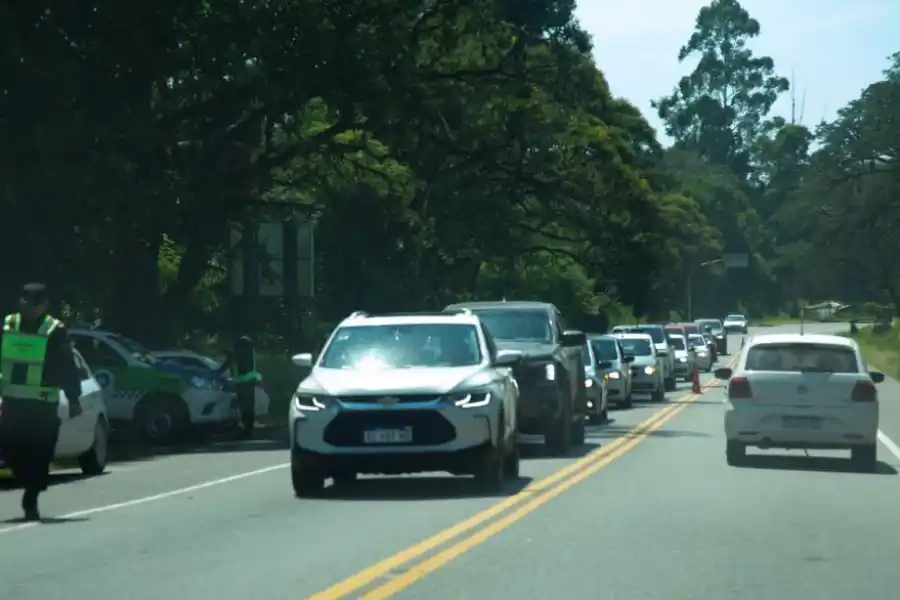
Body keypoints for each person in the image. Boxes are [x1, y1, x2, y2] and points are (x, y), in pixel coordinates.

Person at [0, 283, 82, 520]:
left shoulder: (55, 330)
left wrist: (74, 397)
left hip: (42, 404)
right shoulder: (9, 325)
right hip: (14, 401)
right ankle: (27, 481)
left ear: (45, 305)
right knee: (11, 449)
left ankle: (31, 496)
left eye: (35, 305)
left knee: (39, 453)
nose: (29, 309)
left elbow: (67, 365)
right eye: (26, 304)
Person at [216, 336, 259, 438]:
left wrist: (217, 373)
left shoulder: (239, 352)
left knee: (243, 407)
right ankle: (249, 429)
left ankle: (245, 430)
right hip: (251, 382)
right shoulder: (250, 353)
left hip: (242, 383)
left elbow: (228, 363)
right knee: (249, 407)